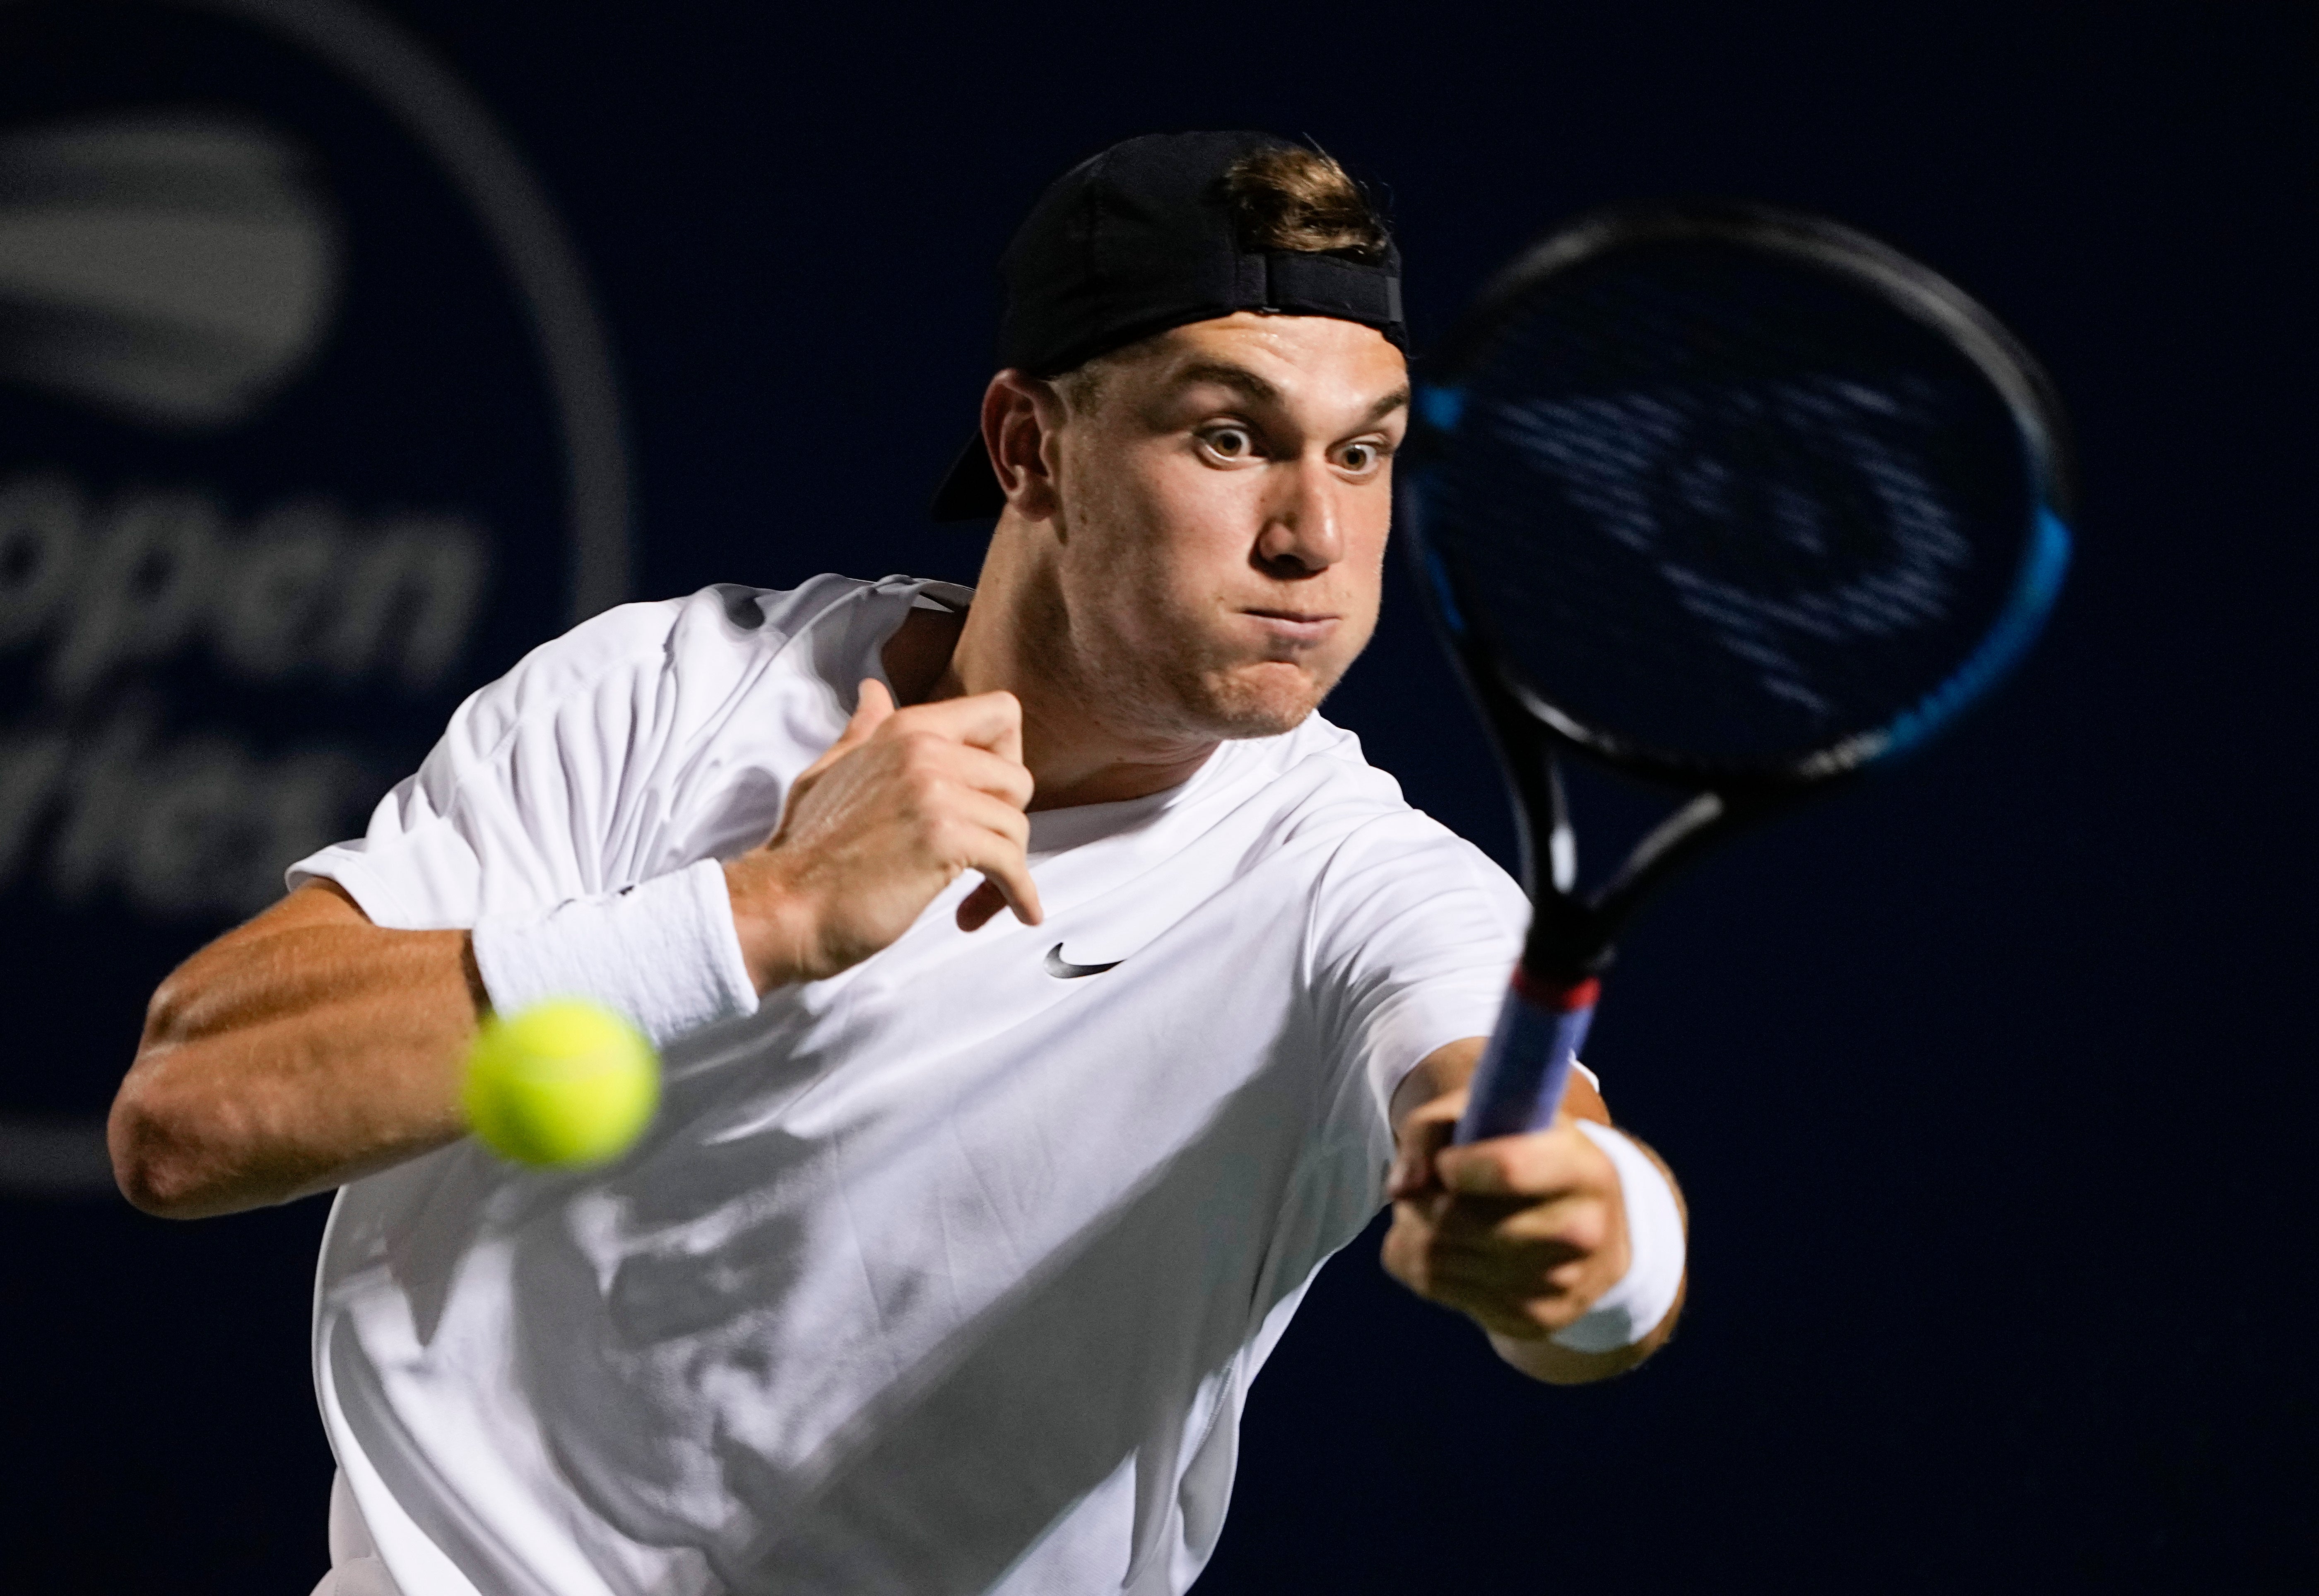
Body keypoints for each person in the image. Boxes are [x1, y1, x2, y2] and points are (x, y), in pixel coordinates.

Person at [108, 131, 1688, 1596]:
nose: (1315, 539)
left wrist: (1584, 1248)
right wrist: (763, 912)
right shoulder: (654, 698)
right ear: (1031, 448)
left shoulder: (1365, 890)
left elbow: (1542, 1158)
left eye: (1364, 455)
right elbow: (184, 1122)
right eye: (1229, 436)